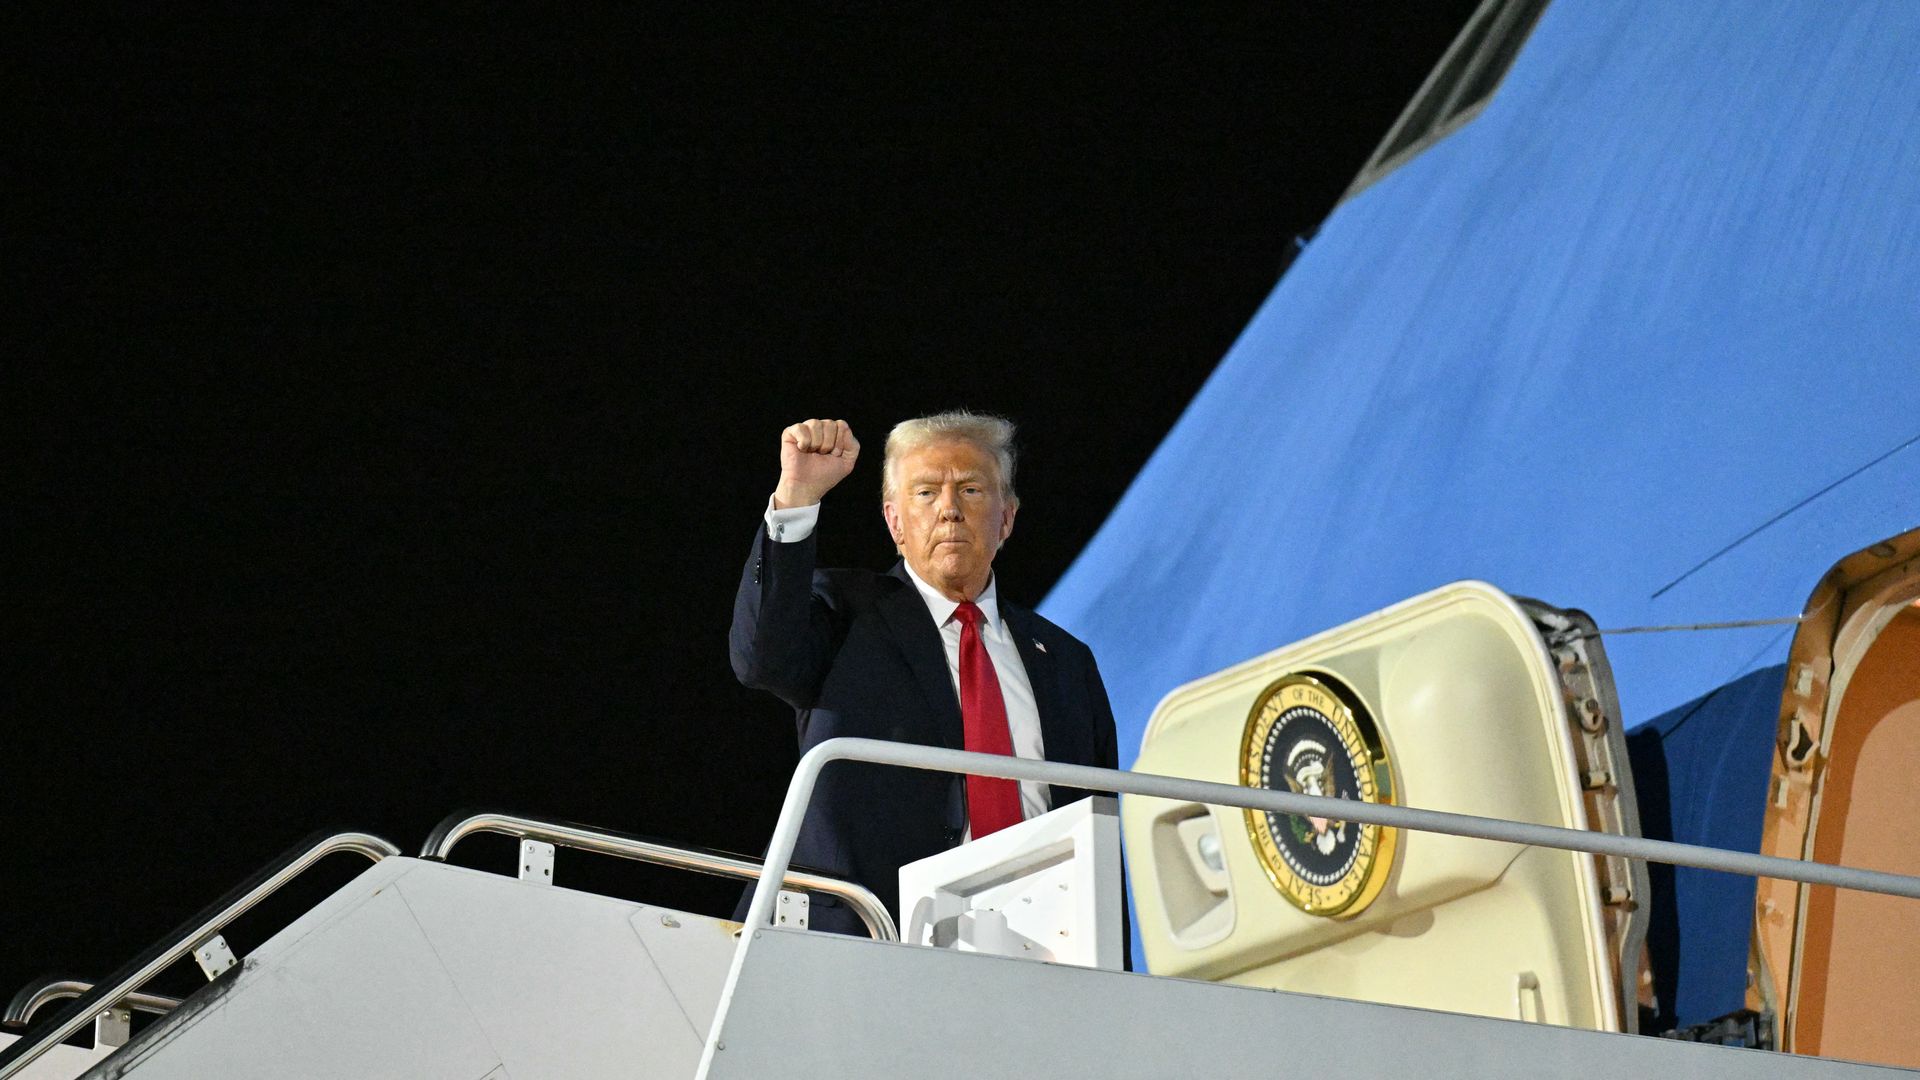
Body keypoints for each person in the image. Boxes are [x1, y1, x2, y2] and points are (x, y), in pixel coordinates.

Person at [729, 411, 1120, 936]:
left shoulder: (1068, 662)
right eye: (926, 493)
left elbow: (1099, 826)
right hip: (872, 935)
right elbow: (761, 658)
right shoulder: (846, 614)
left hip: (1039, 943)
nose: (950, 510)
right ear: (895, 523)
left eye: (972, 490)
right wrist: (797, 496)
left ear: (1006, 519)